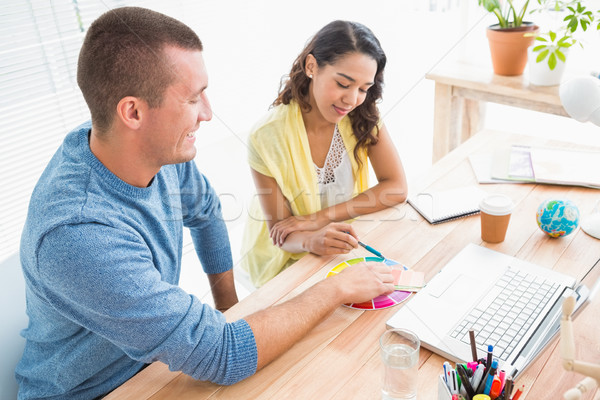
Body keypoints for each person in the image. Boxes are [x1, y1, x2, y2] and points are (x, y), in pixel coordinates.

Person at [15, 7, 395, 400]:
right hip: (97, 391)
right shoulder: (78, 235)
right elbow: (223, 354)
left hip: (154, 363)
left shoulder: (140, 148)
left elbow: (206, 213)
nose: (209, 114)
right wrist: (335, 289)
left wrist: (228, 308)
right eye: (194, 98)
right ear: (133, 112)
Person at [241, 20, 408, 287]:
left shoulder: (363, 118)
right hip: (283, 260)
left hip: (341, 248)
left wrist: (317, 219)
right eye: (343, 84)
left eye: (364, 89)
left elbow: (397, 187)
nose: (352, 100)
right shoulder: (266, 136)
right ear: (311, 67)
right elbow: (281, 231)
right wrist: (310, 238)